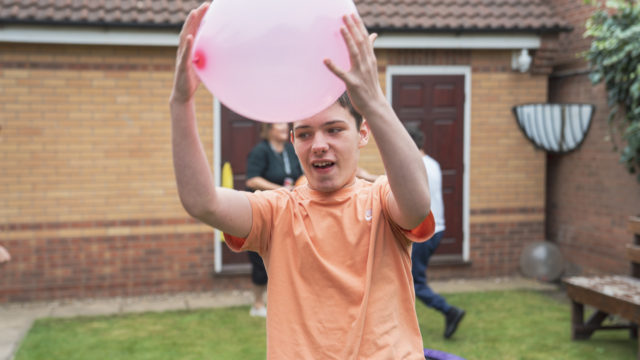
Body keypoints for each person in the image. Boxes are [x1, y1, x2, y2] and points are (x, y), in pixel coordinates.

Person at [170, 4, 434, 358]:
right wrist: (181, 102)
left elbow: (417, 204)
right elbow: (201, 201)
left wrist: (372, 101)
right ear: (292, 141)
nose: (319, 144)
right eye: (305, 133)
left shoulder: (383, 200)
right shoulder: (278, 212)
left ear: (363, 133)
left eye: (335, 129)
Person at [406, 125, 466, 339]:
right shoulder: (433, 164)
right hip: (437, 229)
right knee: (410, 280)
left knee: (413, 282)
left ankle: (449, 311)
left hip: (424, 232)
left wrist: (364, 175)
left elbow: (391, 186)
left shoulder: (413, 166)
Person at [245, 122, 303, 317]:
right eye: (280, 126)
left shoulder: (290, 150)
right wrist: (281, 190)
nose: (285, 129)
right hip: (264, 211)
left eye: (286, 126)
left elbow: (300, 175)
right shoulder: (260, 151)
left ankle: (285, 302)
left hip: (288, 211)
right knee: (261, 261)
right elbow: (252, 180)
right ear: (269, 129)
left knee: (289, 257)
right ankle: (258, 304)